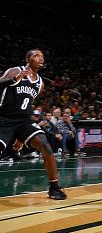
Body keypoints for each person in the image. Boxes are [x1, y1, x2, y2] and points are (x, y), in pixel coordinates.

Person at [0, 49, 67, 200]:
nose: (41, 58)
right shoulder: (16, 70)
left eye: (42, 56)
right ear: (27, 59)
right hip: (4, 118)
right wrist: (12, 80)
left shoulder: (40, 83)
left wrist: (20, 138)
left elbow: (27, 104)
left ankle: (54, 187)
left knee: (46, 146)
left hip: (23, 121)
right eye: (36, 55)